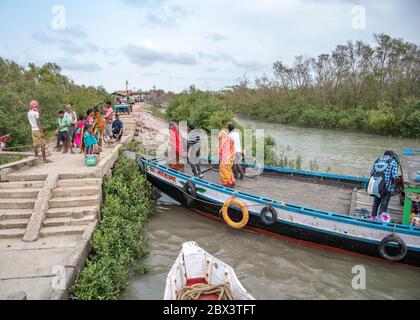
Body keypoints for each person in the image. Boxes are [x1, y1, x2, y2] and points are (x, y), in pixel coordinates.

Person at [371, 150, 399, 217]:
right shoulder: (393, 162)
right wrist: (394, 187)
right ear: (392, 155)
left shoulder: (377, 160)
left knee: (376, 203)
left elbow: (372, 172)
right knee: (383, 205)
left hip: (376, 186)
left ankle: (373, 217)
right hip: (386, 188)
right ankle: (380, 220)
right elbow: (395, 177)